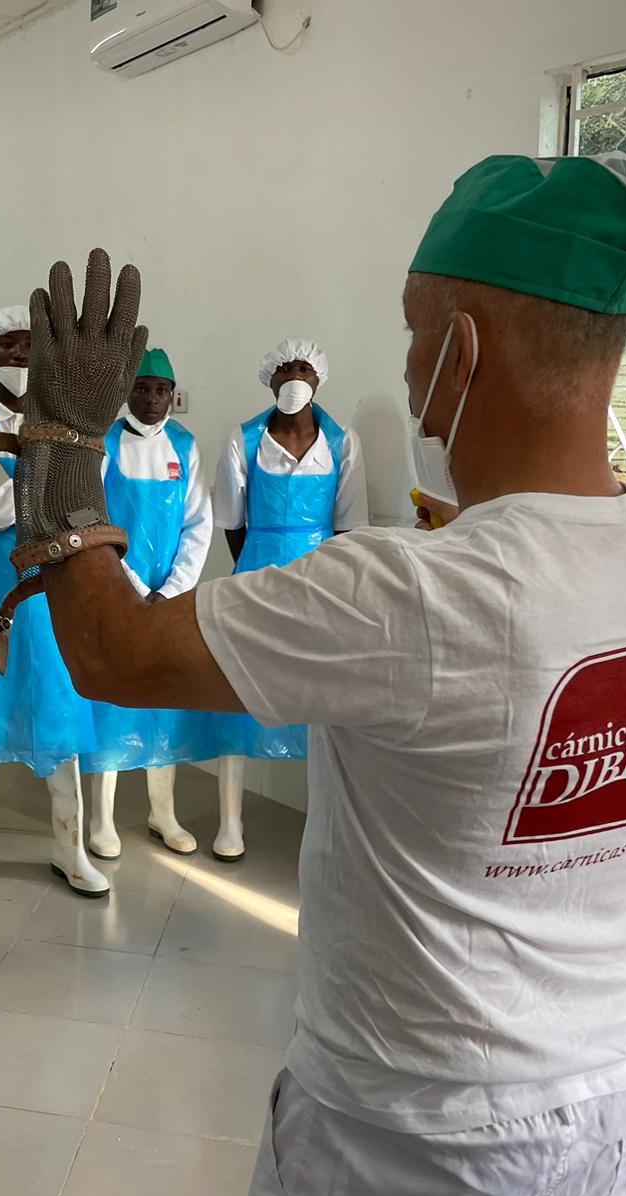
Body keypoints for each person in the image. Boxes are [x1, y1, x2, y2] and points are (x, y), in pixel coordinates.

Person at [4, 154, 626, 1196]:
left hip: (409, 1138)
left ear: (461, 349)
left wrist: (66, 439)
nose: (402, 364)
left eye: (410, 331)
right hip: (604, 1102)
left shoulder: (416, 595)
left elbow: (112, 651)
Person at [0, 305, 107, 899]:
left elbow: (85, 500)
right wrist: (43, 498)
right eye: (7, 347)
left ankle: (71, 848)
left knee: (60, 713)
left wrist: (12, 492)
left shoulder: (68, 415)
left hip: (55, 588)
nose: (19, 358)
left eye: (30, 347)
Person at [207, 337, 368, 861]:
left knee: (321, 698)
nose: (295, 377)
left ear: (319, 378)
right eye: (284, 369)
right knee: (239, 689)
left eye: (304, 368)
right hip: (255, 572)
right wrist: (257, 556)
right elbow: (230, 518)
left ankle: (322, 818)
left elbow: (350, 524)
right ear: (270, 380)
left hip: (322, 579)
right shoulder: (246, 438)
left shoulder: (343, 442)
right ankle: (230, 821)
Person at [81, 347, 211, 858]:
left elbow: (198, 524)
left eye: (161, 390)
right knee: (111, 697)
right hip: (115, 588)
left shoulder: (186, 446)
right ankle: (102, 819)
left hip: (169, 595)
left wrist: (173, 590)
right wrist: (132, 585)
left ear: (172, 396)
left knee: (165, 697)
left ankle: (163, 811)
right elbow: (95, 518)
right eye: (141, 388)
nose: (152, 399)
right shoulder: (104, 443)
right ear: (126, 391)